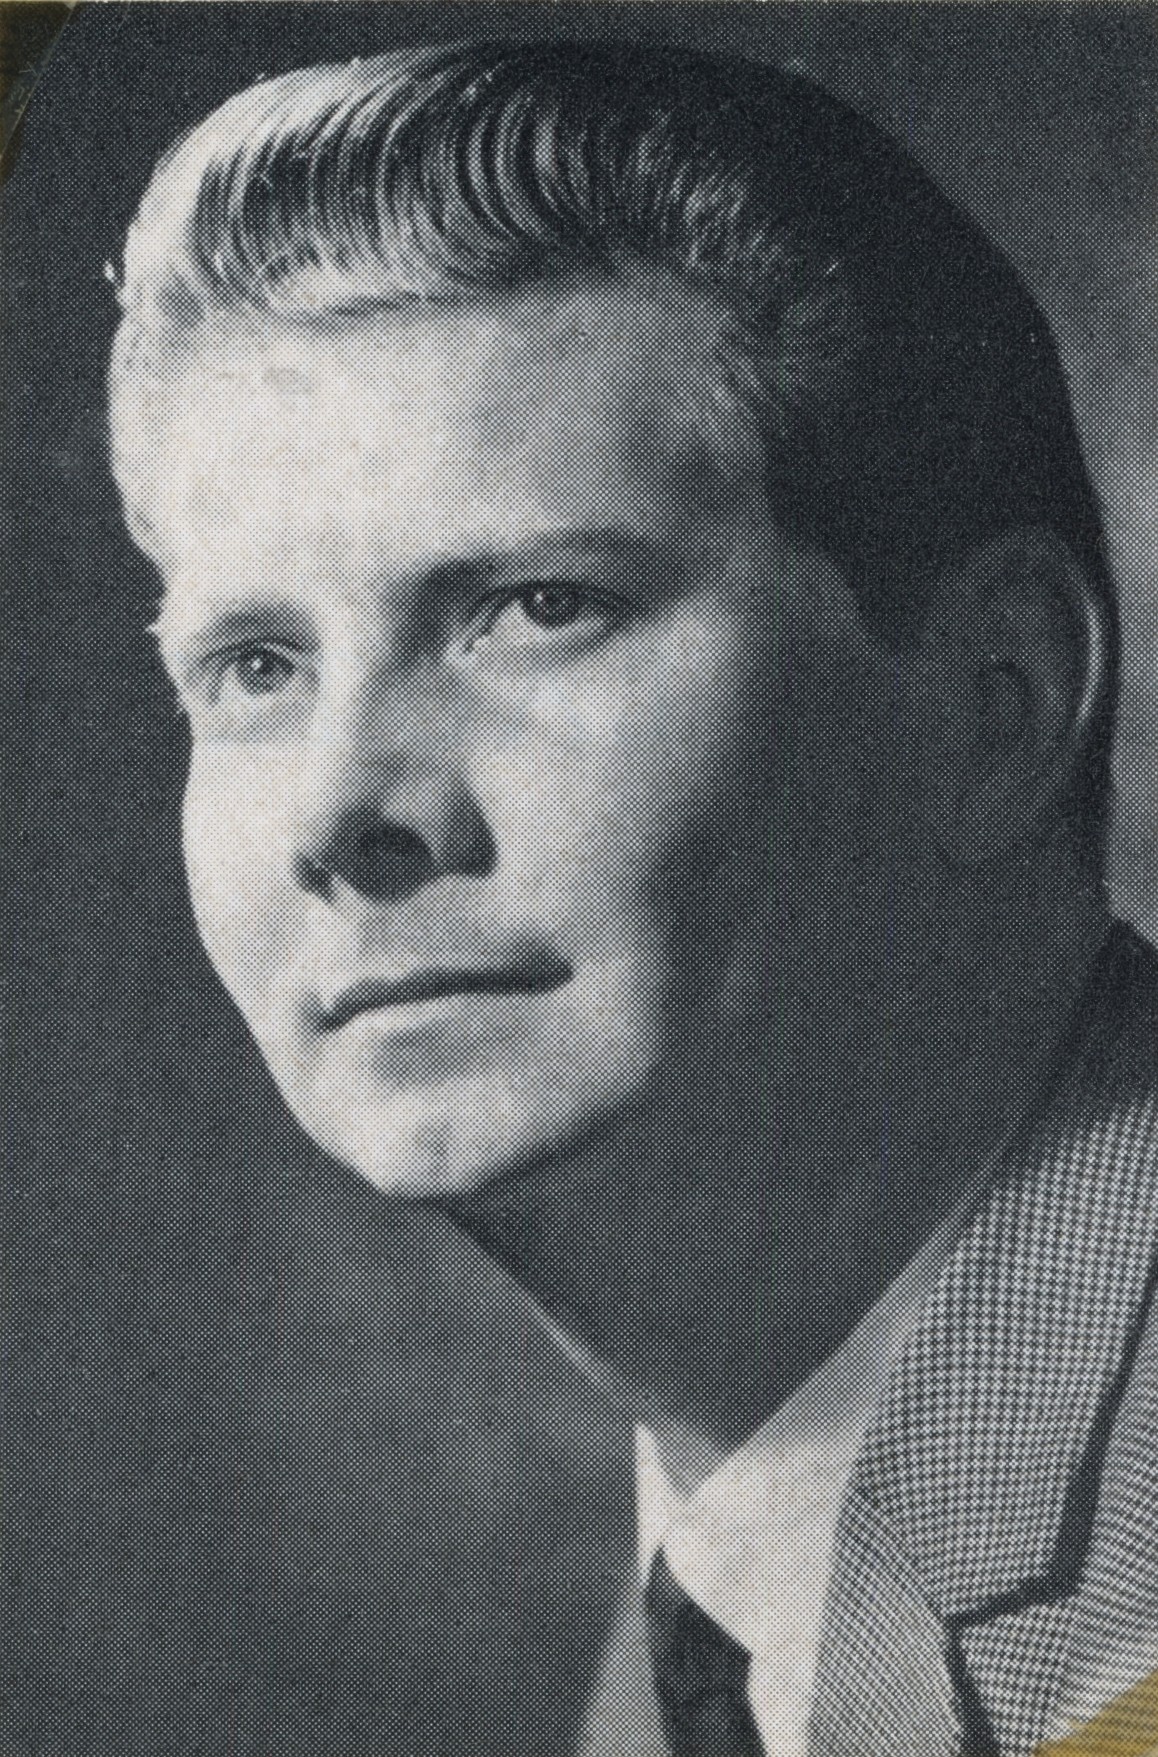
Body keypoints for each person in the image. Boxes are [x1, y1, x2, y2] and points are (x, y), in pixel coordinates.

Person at [106, 39, 1158, 1756]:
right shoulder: (739, 1574)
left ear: (994, 704)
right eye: (256, 665)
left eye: (536, 607)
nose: (340, 811)